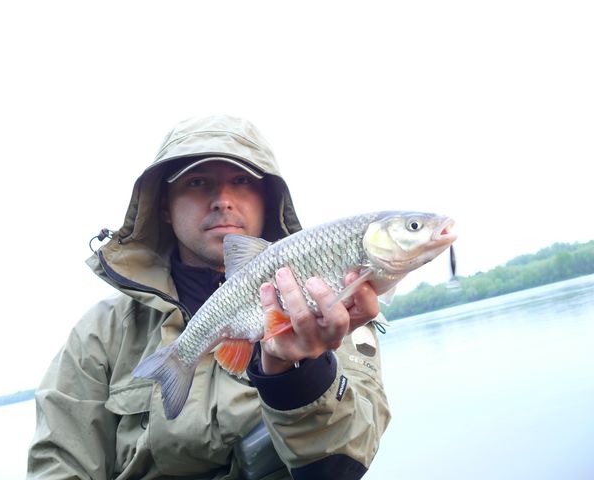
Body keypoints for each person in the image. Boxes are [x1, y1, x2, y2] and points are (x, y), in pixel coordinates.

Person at [27, 115, 391, 479]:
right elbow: (58, 465)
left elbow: (342, 467)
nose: (222, 201)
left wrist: (298, 373)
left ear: (268, 200)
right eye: (198, 182)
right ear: (164, 206)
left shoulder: (335, 305)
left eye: (242, 181)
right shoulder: (99, 334)